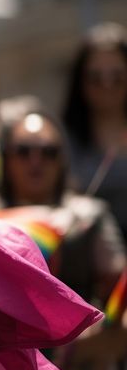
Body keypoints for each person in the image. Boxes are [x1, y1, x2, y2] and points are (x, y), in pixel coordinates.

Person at [0, 103, 127, 370]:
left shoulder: (87, 215)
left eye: (48, 151)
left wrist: (81, 346)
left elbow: (121, 303)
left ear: (62, 158)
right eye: (24, 151)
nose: (36, 160)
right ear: (6, 158)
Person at [63, 22, 127, 236]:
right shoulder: (61, 143)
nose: (107, 85)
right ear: (81, 82)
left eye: (116, 77)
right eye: (96, 78)